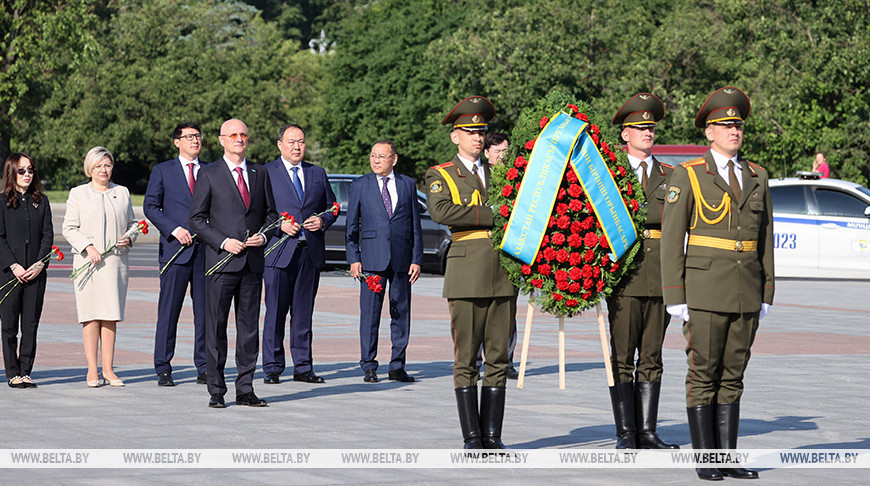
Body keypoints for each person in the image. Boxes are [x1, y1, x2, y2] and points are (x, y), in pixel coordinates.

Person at [661, 87, 774, 480]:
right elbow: (673, 239)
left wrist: (767, 290)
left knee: (734, 374)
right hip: (705, 290)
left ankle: (728, 457)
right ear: (708, 133)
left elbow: (766, 240)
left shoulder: (757, 176)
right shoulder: (689, 174)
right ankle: (706, 460)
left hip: (746, 289)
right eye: (725, 125)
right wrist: (675, 296)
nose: (733, 130)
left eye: (738, 124)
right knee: (704, 372)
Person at [425, 96, 515, 449]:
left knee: (498, 357)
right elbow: (442, 211)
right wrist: (494, 212)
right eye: (470, 132)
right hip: (466, 272)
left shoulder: (504, 175)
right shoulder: (442, 173)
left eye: (481, 132)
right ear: (455, 137)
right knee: (467, 358)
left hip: (503, 273)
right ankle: (472, 436)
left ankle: (492, 436)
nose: (478, 138)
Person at [189, 119, 280, 408]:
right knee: (216, 328)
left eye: (243, 134)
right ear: (221, 140)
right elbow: (196, 219)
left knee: (249, 329)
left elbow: (271, 216)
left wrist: (263, 237)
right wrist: (222, 241)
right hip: (220, 264)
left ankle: (245, 388)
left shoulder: (259, 172)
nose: (239, 139)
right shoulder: (209, 173)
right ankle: (216, 389)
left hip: (251, 264)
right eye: (233, 135)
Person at [606, 93, 678, 449]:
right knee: (623, 356)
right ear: (625, 135)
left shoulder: (670, 174)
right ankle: (626, 432)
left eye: (651, 127)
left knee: (652, 355)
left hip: (662, 273)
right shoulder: (609, 175)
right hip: (625, 275)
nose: (647, 132)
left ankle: (648, 431)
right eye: (639, 127)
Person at [261, 124, 337, 385]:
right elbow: (257, 211)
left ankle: (303, 367)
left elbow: (332, 206)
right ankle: (272, 367)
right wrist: (277, 225)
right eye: (292, 141)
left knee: (304, 313)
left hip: (309, 253)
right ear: (280, 144)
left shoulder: (317, 173)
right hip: (278, 253)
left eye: (301, 142)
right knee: (275, 313)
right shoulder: (265, 173)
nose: (297, 146)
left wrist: (323, 220)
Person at [346, 140, 423, 383]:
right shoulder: (360, 185)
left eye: (382, 156)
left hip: (402, 259)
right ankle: (369, 365)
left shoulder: (408, 185)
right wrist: (353, 259)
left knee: (401, 313)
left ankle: (397, 365)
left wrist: (416, 259)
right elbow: (351, 227)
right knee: (370, 314)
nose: (376, 160)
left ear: (394, 159)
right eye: (373, 156)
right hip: (371, 260)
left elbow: (415, 226)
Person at [63, 146, 137, 388]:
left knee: (110, 317)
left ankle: (109, 369)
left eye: (107, 165)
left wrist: (129, 237)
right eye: (98, 166)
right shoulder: (78, 193)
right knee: (90, 317)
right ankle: (92, 370)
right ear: (89, 169)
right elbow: (69, 228)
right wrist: (88, 247)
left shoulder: (122, 192)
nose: (103, 170)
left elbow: (133, 224)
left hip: (115, 263)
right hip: (88, 264)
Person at [144, 122, 208, 386]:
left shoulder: (211, 170)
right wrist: (174, 229)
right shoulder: (163, 170)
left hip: (206, 252)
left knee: (206, 313)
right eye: (189, 137)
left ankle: (204, 366)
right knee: (169, 311)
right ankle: (163, 366)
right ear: (177, 142)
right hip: (175, 250)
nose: (195, 141)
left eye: (198, 136)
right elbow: (151, 206)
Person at [0, 153, 53, 388]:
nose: (27, 175)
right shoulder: (2, 201)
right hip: (10, 273)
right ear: (12, 172)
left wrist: (40, 263)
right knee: (9, 325)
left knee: (30, 324)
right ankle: (12, 372)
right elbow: (0, 238)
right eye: (21, 171)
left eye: (30, 170)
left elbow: (47, 236)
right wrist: (14, 265)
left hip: (35, 273)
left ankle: (26, 370)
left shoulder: (41, 201)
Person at [477, 131, 519, 380]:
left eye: (505, 151)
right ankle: (479, 357)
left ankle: (507, 359)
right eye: (497, 151)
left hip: (509, 249)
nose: (502, 156)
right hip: (483, 248)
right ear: (486, 153)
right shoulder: (480, 175)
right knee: (481, 307)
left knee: (507, 308)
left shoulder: (516, 176)